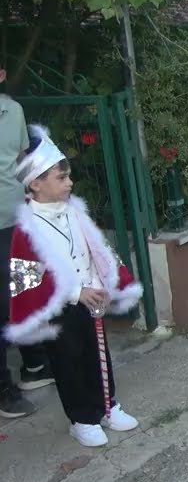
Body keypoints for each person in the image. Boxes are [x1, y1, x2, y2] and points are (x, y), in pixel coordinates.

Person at [6, 125, 144, 447]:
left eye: (68, 177)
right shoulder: (26, 229)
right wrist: (74, 293)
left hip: (91, 297)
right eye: (62, 177)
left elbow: (96, 251)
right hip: (60, 309)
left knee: (98, 354)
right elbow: (27, 281)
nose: (70, 183)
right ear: (36, 184)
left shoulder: (74, 213)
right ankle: (82, 418)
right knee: (69, 361)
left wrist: (104, 283)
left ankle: (108, 405)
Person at [0, 67, 52, 419]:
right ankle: (4, 389)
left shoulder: (13, 111)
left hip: (16, 217)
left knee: (26, 286)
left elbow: (19, 161)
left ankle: (33, 364)